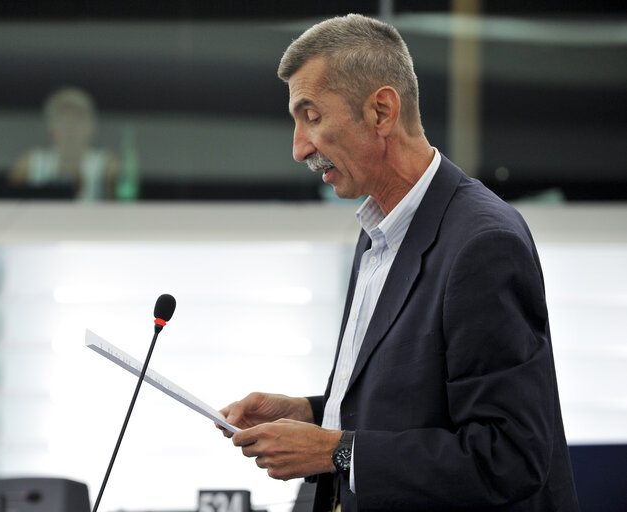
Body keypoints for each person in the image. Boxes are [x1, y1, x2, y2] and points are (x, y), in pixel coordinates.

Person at [219, 14, 579, 512]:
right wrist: (310, 413)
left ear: (382, 112)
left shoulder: (484, 244)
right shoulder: (375, 234)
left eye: (312, 115)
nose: (299, 146)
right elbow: (411, 404)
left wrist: (333, 450)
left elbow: (509, 456)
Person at [10, 87, 118, 200]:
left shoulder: (107, 166)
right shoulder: (30, 163)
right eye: (63, 121)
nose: (70, 128)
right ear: (51, 129)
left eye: (77, 121)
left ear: (91, 128)